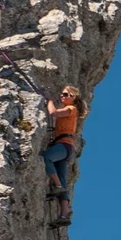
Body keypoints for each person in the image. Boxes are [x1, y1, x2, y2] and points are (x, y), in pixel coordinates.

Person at [42, 86, 85, 225]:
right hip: (66, 147)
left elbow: (53, 113)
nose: (62, 96)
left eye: (66, 94)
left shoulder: (71, 109)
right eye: (62, 93)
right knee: (62, 176)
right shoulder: (72, 110)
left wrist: (49, 100)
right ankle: (64, 215)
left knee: (46, 157)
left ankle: (58, 186)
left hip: (64, 145)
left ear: (73, 98)